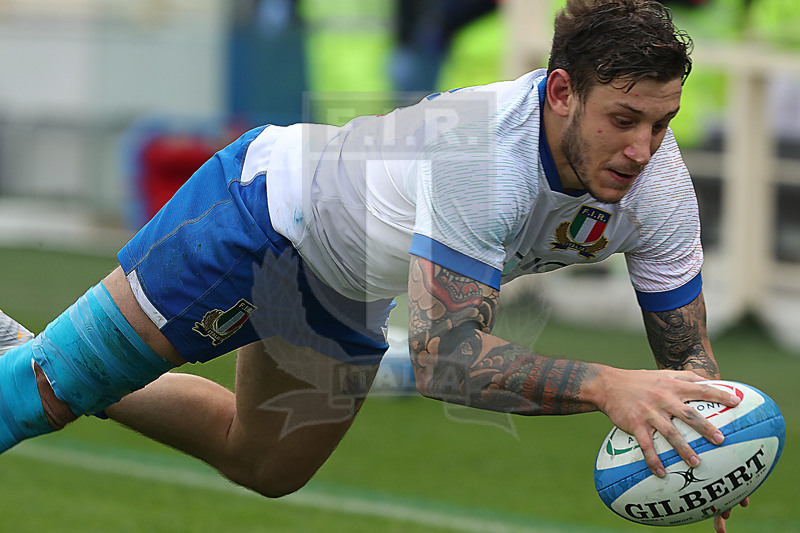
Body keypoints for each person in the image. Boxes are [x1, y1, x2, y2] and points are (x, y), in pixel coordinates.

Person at [0, 1, 747, 530]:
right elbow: (445, 360)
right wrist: (606, 384)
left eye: (662, 124)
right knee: (32, 397)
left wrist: (712, 446)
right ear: (560, 93)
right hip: (259, 215)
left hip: (342, 288)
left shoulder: (660, 190)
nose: (642, 149)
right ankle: (50, 367)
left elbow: (688, 360)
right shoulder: (483, 153)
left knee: (265, 463)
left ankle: (42, 354)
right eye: (623, 120)